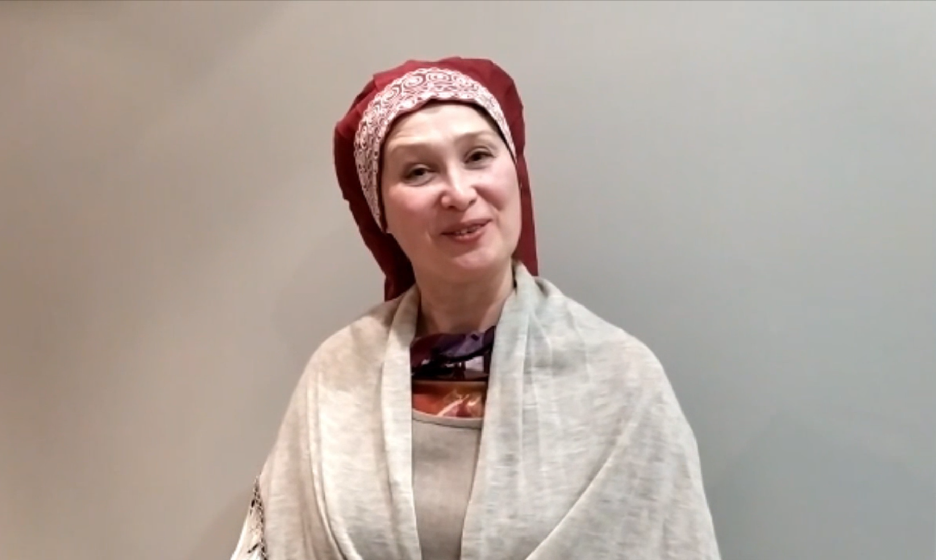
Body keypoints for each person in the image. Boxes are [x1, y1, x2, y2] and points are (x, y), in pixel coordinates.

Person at [228, 56, 721, 560]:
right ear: (382, 213)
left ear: (516, 176)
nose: (459, 193)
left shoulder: (621, 380)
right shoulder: (337, 374)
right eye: (419, 171)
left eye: (479, 156)